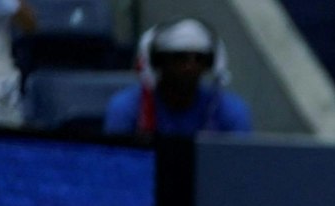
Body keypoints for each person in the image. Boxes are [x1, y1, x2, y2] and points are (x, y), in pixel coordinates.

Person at [103, 18, 252, 139]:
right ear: (158, 62)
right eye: (180, 58)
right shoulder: (127, 108)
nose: (190, 66)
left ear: (211, 64)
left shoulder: (229, 111)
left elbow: (238, 168)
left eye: (199, 59)